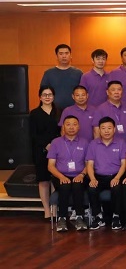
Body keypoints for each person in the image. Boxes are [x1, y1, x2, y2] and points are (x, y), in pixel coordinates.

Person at [47, 115, 89, 232]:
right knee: (64, 185)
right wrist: (61, 176)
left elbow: (89, 164)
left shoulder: (85, 142)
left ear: (79, 127)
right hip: (60, 175)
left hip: (80, 175)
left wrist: (82, 174)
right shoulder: (56, 142)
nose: (71, 127)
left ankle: (80, 217)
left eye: (74, 124)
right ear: (63, 127)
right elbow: (50, 166)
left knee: (77, 185)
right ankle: (62, 218)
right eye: (68, 124)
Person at [86, 116, 126, 230]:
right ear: (99, 130)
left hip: (116, 175)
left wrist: (117, 178)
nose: (106, 131)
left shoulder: (121, 143)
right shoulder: (93, 144)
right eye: (103, 128)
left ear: (114, 129)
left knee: (117, 188)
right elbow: (89, 164)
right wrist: (92, 178)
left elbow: (124, 164)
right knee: (92, 188)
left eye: (109, 128)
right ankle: (98, 217)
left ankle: (116, 216)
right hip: (98, 176)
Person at [30, 86, 60, 219]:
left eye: (50, 94)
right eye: (44, 94)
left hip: (58, 150)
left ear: (54, 96)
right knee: (44, 180)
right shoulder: (34, 113)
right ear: (40, 97)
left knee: (55, 179)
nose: (47, 97)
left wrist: (55, 146)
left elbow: (63, 131)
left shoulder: (59, 112)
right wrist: (46, 145)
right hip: (41, 150)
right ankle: (46, 210)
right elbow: (33, 134)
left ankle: (55, 209)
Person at [40, 44, 83, 109]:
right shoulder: (48, 73)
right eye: (61, 54)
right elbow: (43, 92)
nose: (64, 56)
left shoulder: (78, 73)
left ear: (70, 55)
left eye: (66, 53)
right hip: (53, 110)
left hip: (75, 109)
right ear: (56, 56)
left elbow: (83, 92)